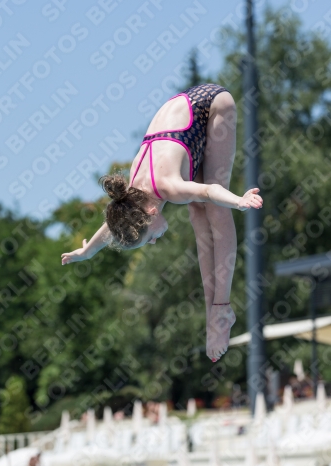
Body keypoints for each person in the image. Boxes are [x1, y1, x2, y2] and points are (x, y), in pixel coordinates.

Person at [61, 83, 263, 361]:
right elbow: (114, 223)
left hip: (214, 105)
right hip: (183, 113)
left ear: (152, 214)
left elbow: (209, 191)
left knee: (214, 209)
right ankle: (212, 316)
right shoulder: (130, 197)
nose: (155, 241)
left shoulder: (168, 187)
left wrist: (238, 200)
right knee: (196, 213)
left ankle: (222, 308)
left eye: (149, 238)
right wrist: (86, 252)